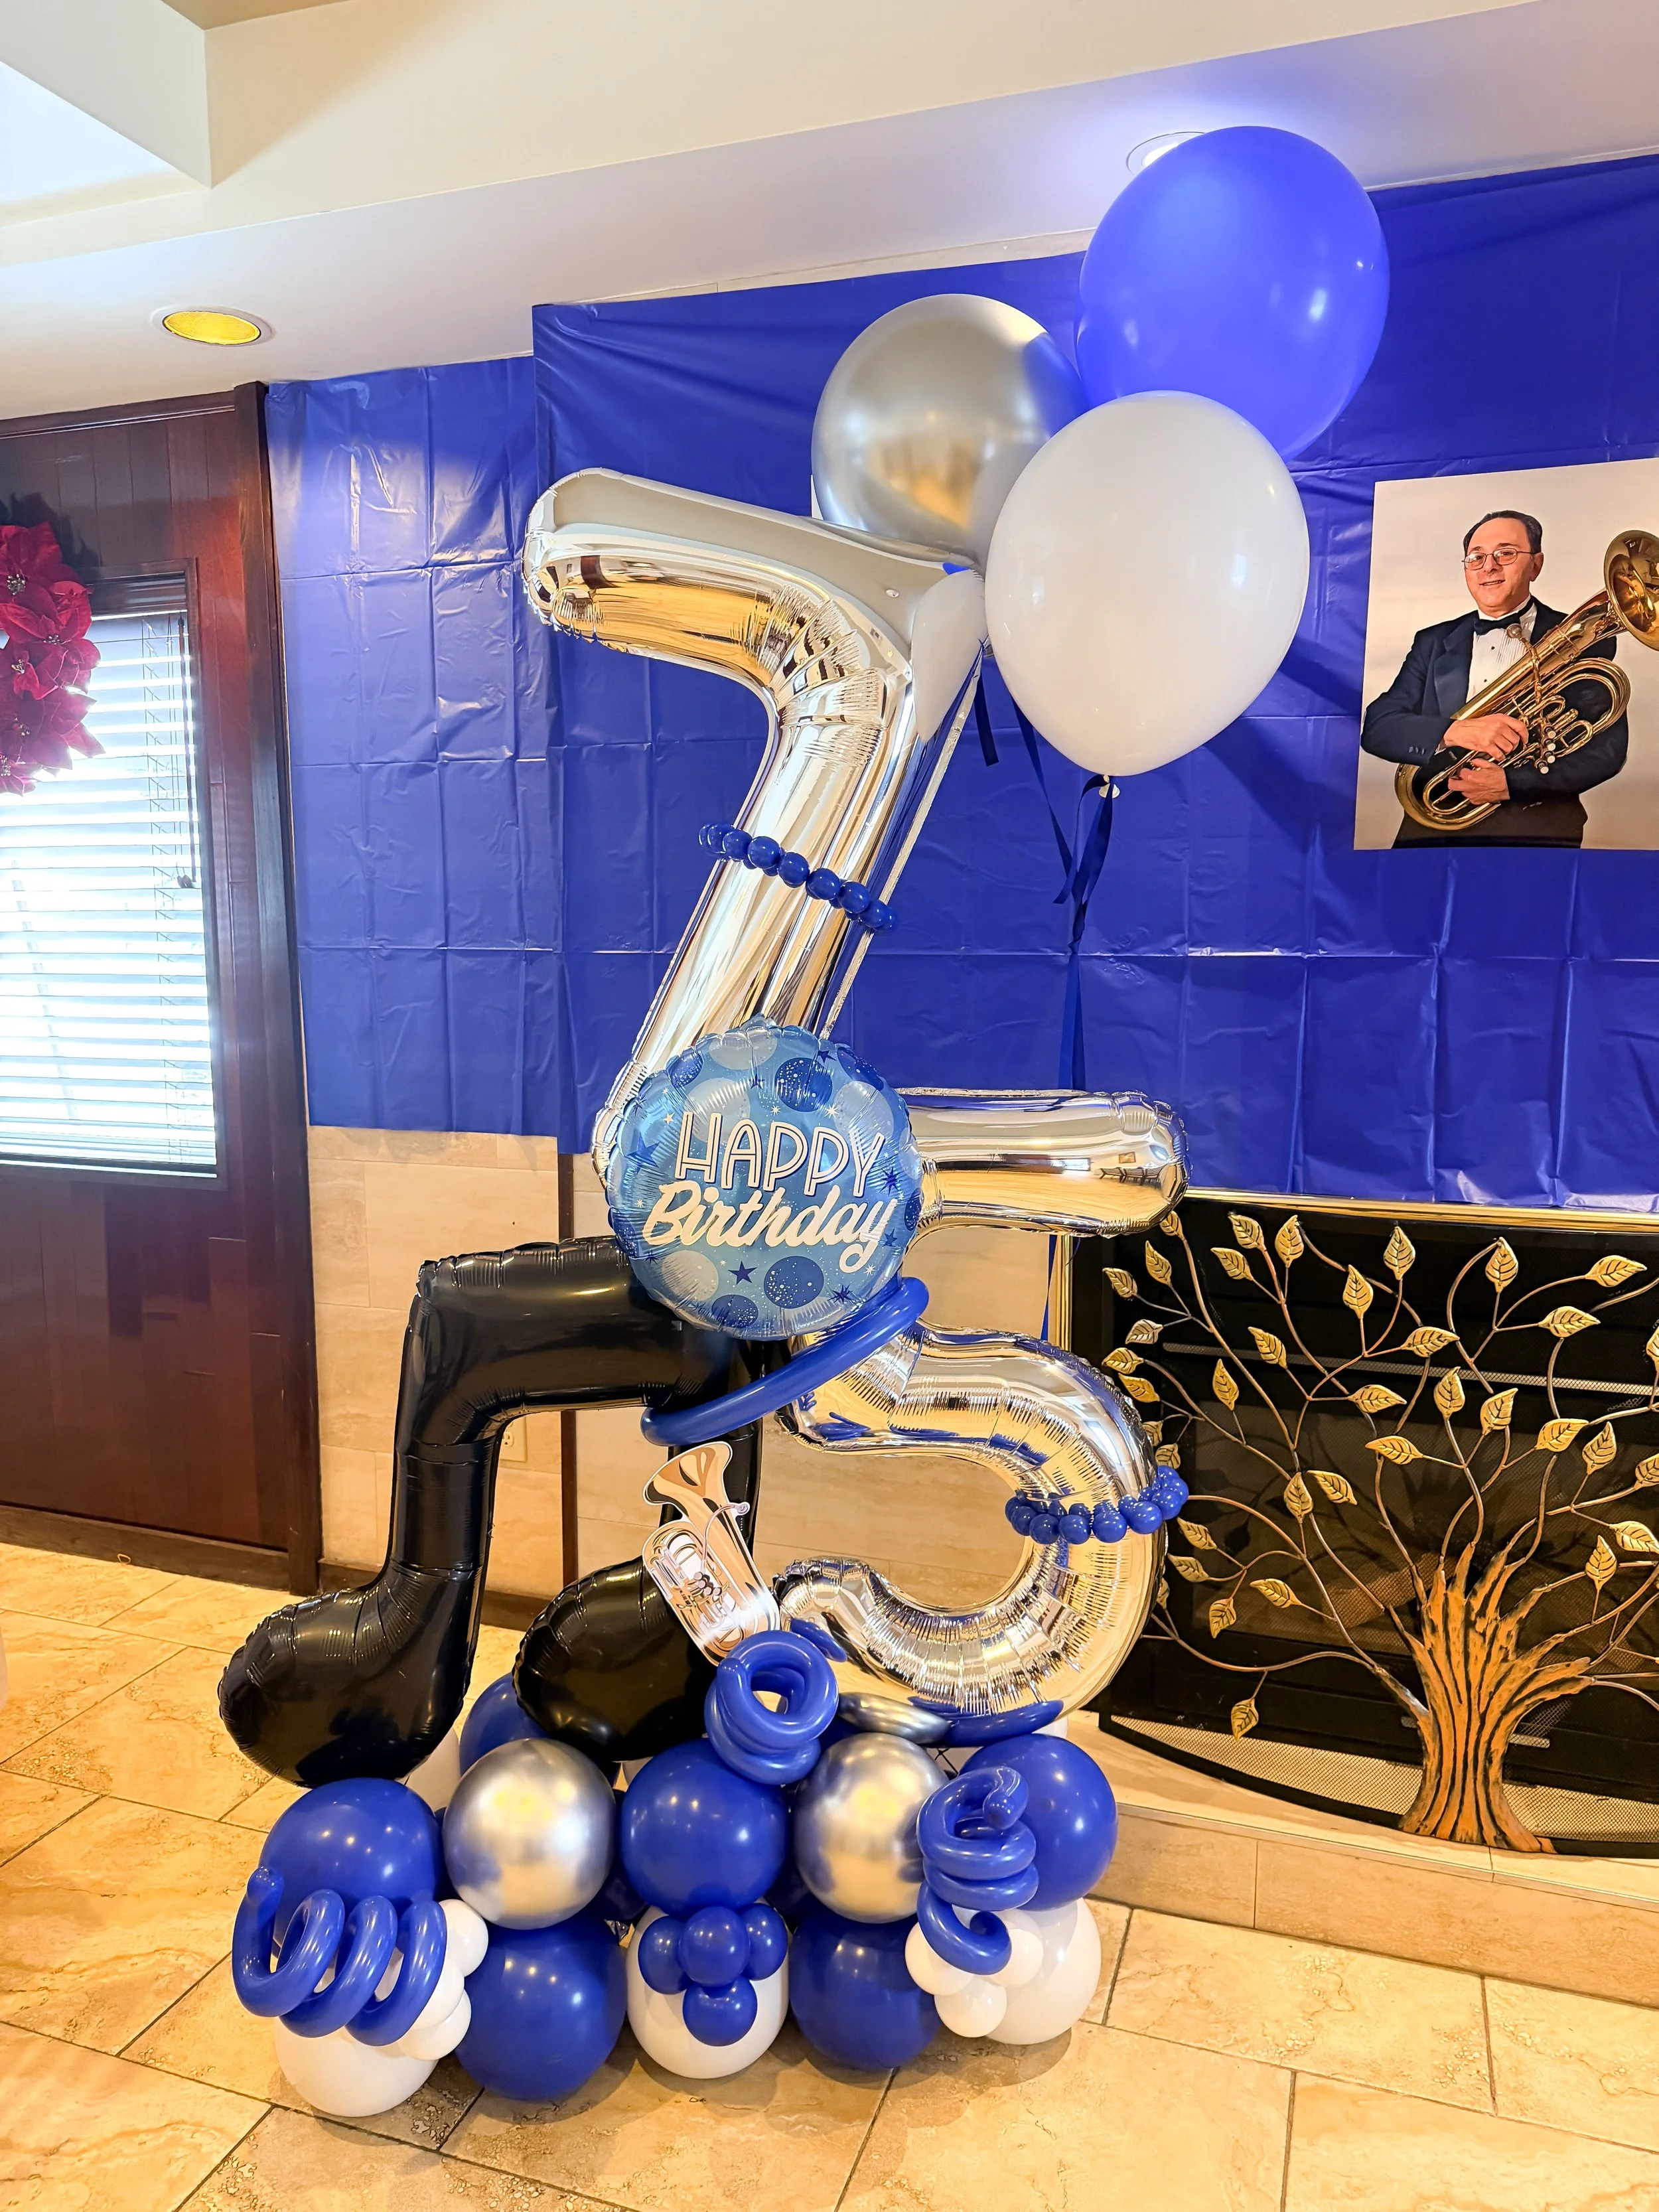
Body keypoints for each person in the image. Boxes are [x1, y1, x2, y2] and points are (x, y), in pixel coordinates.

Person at [1360, 509, 1626, 848]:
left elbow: (1608, 751)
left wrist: (1513, 783)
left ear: (1536, 564)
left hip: (1539, 831)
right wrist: (1454, 731)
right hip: (1430, 833)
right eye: (1477, 557)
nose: (1489, 566)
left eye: (1506, 553)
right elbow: (1378, 727)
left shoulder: (1586, 636)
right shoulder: (1433, 641)